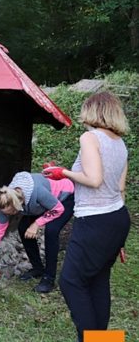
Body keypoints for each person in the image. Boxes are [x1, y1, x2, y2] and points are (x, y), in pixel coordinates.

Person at [44, 92, 130, 342]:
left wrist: (64, 172)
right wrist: (118, 239)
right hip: (116, 218)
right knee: (98, 279)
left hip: (95, 221)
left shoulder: (90, 137)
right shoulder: (120, 144)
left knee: (71, 281)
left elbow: (94, 180)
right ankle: (103, 339)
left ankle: (91, 340)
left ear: (93, 111)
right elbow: (120, 188)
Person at [0, 171, 75, 293]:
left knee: (51, 230)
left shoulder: (38, 193)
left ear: (18, 206)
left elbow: (58, 209)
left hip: (64, 198)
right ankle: (37, 268)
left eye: (10, 213)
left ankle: (49, 278)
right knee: (23, 227)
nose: (7, 216)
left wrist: (37, 224)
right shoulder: (7, 200)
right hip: (42, 204)